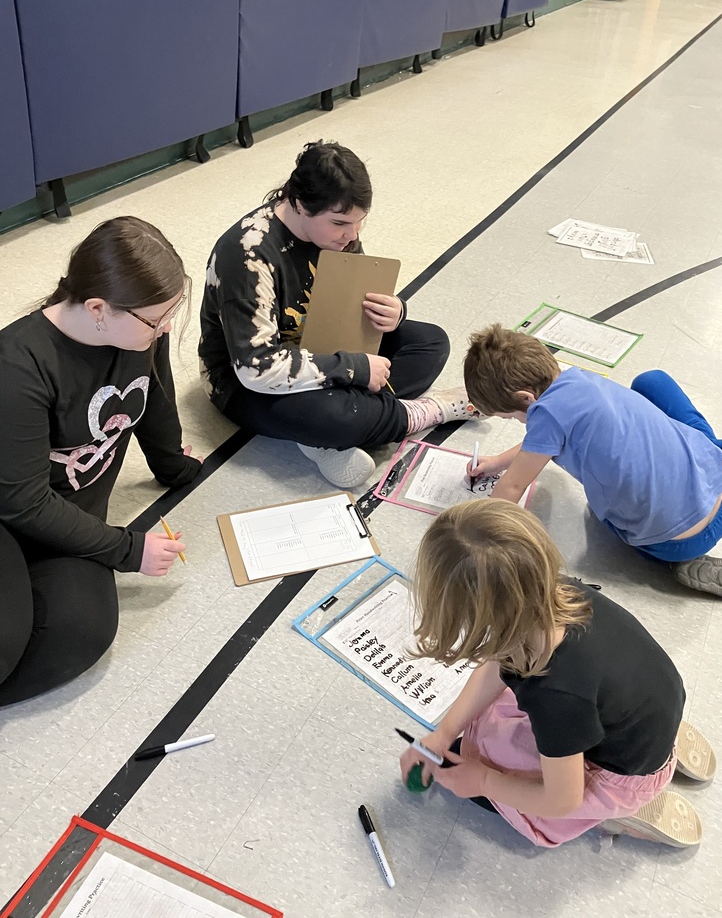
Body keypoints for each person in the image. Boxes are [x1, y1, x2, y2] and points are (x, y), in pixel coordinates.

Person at [399, 499, 715, 849]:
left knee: (477, 761)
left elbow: (561, 799)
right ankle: (656, 756)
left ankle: (618, 812)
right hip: (649, 712)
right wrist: (442, 734)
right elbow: (498, 665)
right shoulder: (553, 591)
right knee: (477, 734)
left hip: (625, 774)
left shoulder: (556, 694)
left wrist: (485, 782)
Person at [0, 217, 202, 706]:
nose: (166, 326)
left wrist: (174, 466)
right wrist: (127, 549)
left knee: (82, 633)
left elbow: (153, 400)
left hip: (64, 516)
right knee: (5, 640)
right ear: (97, 308)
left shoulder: (136, 337)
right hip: (13, 512)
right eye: (158, 318)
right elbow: (23, 504)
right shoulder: (17, 366)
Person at [199, 140, 477, 488]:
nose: (352, 235)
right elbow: (257, 368)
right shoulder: (248, 254)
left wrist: (393, 311)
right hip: (245, 381)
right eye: (340, 223)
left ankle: (337, 429)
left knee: (430, 341)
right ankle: (420, 413)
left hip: (324, 348)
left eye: (360, 222)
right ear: (299, 204)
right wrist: (354, 369)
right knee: (332, 415)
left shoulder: (336, 234)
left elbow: (354, 297)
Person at [463, 324, 722, 602]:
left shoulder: (545, 417)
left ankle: (675, 559)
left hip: (670, 544)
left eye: (511, 416)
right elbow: (544, 439)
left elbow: (512, 487)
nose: (518, 422)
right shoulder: (576, 377)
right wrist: (498, 462)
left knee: (601, 513)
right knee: (651, 382)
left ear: (526, 398)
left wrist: (474, 537)